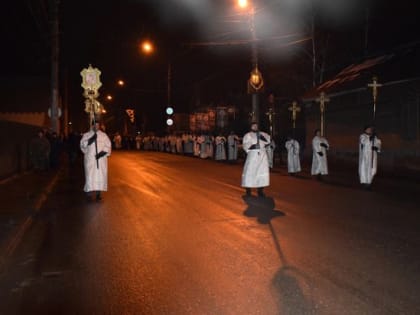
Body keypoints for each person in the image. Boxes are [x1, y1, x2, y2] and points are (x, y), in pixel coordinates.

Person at [80, 121, 112, 201]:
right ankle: (89, 194)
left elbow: (108, 146)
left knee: (100, 176)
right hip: (90, 160)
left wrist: (101, 154)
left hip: (101, 160)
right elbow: (82, 145)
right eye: (95, 125)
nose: (96, 127)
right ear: (92, 126)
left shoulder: (104, 135)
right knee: (90, 176)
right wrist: (90, 140)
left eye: (98, 125)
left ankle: (98, 194)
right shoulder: (86, 135)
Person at [241, 122, 271, 197]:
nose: (255, 127)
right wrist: (252, 146)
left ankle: (260, 190)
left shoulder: (262, 134)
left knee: (261, 172)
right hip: (253, 155)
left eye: (256, 126)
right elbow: (245, 144)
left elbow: (268, 141)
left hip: (262, 156)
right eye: (253, 126)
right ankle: (248, 189)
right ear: (251, 127)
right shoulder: (248, 135)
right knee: (250, 171)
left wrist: (262, 137)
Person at [359, 125, 381, 190]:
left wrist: (376, 147)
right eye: (368, 129)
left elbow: (378, 143)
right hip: (365, 156)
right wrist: (370, 138)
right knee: (365, 169)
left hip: (373, 156)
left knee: (373, 169)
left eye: (370, 129)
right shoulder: (362, 136)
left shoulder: (375, 137)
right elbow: (363, 142)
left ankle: (369, 182)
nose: (369, 130)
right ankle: (366, 183)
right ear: (365, 130)